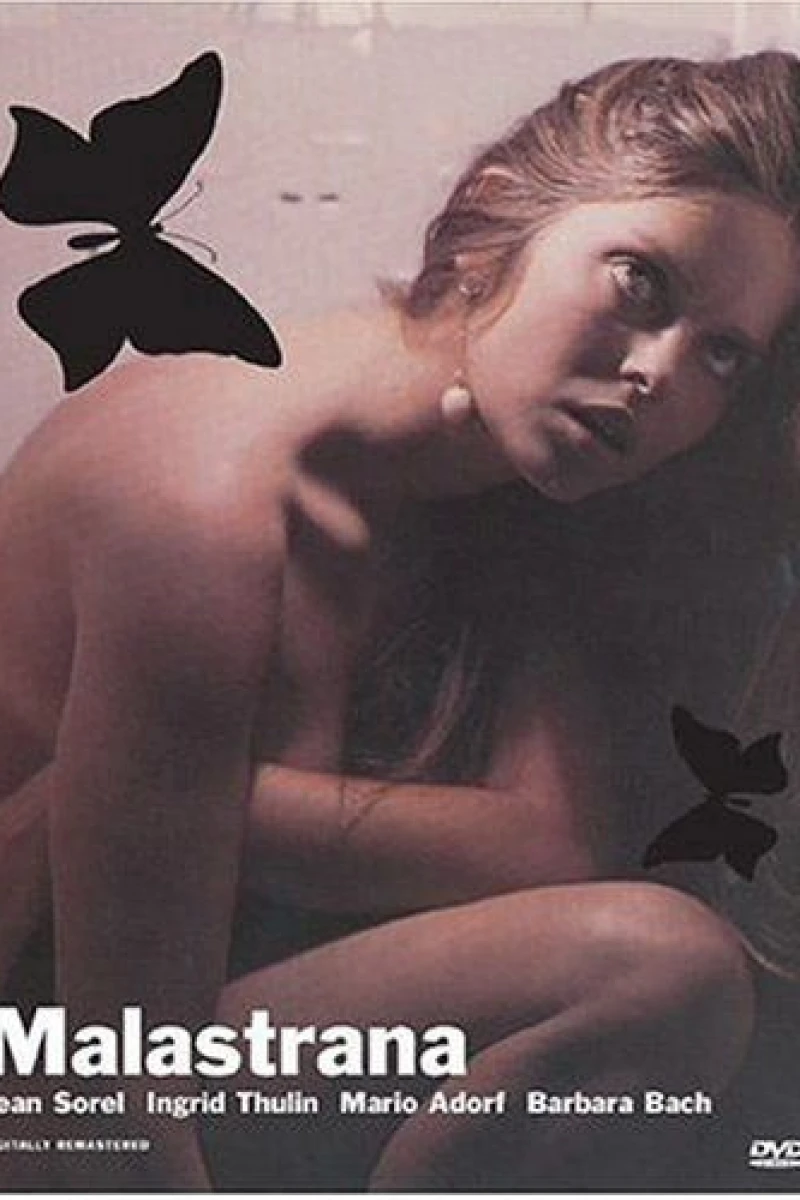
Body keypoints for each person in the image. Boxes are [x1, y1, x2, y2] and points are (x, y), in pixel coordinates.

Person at [1, 49, 800, 1192]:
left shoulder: (515, 482)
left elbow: (547, 846)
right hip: (50, 1060)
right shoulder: (196, 503)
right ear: (494, 217)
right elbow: (109, 1099)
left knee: (672, 972)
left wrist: (144, 800)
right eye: (639, 285)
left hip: (213, 1023)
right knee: (661, 970)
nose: (658, 375)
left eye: (721, 353)